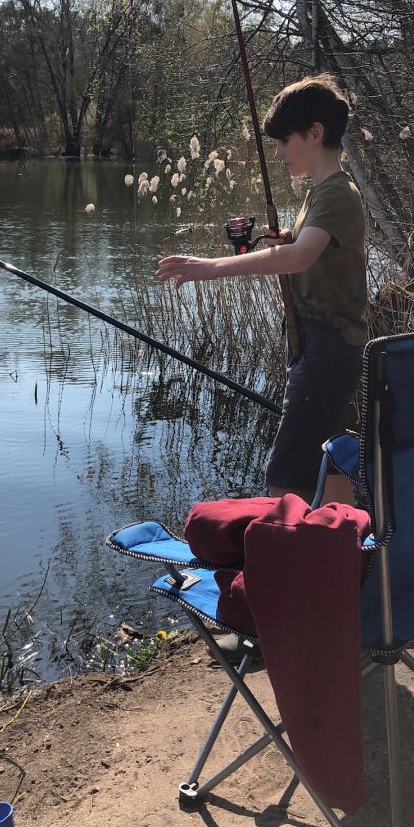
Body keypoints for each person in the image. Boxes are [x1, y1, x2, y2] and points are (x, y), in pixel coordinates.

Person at [155, 74, 367, 506]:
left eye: (284, 141)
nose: (279, 153)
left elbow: (300, 259)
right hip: (322, 344)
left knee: (286, 474)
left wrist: (212, 267)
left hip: (327, 349)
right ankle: (349, 548)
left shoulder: (336, 194)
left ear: (315, 133)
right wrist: (290, 236)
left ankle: (295, 564)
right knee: (331, 456)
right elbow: (309, 249)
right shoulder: (323, 191)